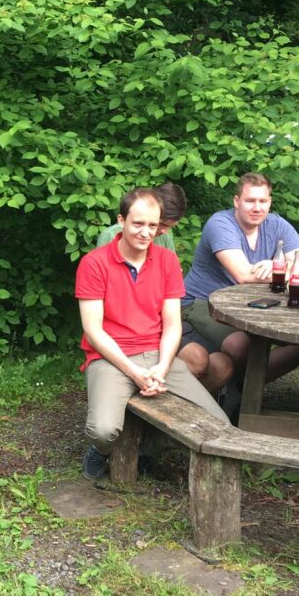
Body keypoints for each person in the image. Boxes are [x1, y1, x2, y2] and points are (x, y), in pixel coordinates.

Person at [76, 187, 229, 480]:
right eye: (138, 224)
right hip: (110, 357)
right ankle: (101, 451)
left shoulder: (167, 261)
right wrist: (134, 372)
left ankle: (147, 452)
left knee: (217, 423)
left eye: (153, 225)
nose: (146, 232)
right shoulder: (94, 263)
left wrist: (162, 365)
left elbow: (172, 324)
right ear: (121, 221)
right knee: (103, 430)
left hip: (158, 355)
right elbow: (93, 331)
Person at [182, 173, 299, 386]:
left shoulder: (277, 224)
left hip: (250, 304)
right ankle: (242, 392)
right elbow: (243, 274)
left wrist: (276, 266)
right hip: (200, 301)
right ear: (237, 201)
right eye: (250, 201)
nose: (257, 208)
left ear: (270, 202)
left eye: (263, 201)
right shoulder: (221, 224)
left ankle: (246, 387)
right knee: (240, 345)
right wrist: (287, 270)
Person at [98, 183, 232, 394]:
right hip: (127, 329)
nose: (160, 232)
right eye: (161, 225)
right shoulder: (112, 237)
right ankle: (154, 401)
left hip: (162, 320)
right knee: (197, 359)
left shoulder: (163, 236)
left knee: (220, 364)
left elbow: (170, 281)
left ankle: (178, 409)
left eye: (166, 227)